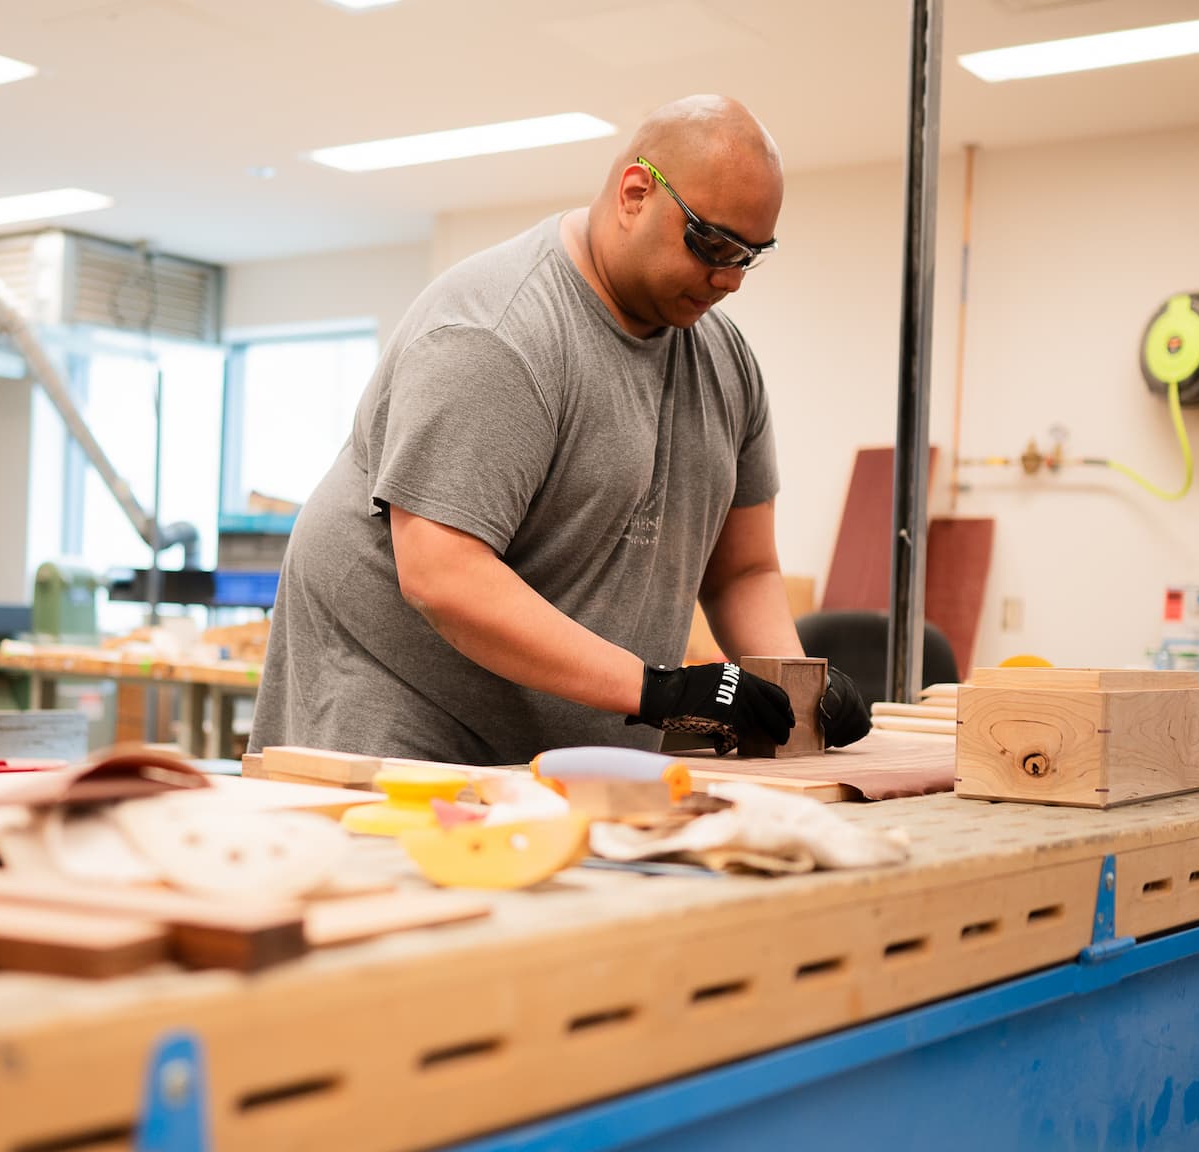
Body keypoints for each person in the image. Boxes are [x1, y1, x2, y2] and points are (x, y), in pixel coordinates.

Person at [249, 95, 871, 766]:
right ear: (636, 193)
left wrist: (797, 690)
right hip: (397, 735)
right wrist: (657, 690)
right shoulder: (497, 332)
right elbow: (442, 573)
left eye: (750, 256)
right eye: (712, 245)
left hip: (564, 752)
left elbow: (742, 569)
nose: (728, 280)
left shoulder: (725, 362)